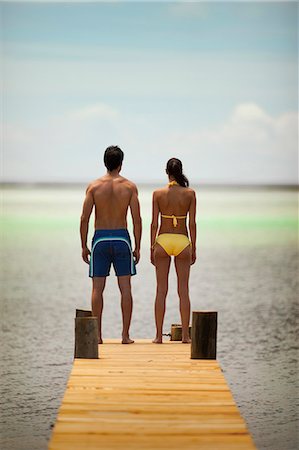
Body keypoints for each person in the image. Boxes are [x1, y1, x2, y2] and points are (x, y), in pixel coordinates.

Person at [80, 145, 142, 344]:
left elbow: (84, 218)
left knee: (97, 289)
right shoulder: (129, 187)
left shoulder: (94, 187)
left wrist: (83, 245)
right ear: (121, 164)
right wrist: (138, 247)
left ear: (104, 163)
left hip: (100, 240)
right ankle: (125, 336)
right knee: (126, 289)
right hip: (122, 239)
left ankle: (97, 336)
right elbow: (137, 219)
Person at [151, 158, 196, 344]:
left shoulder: (158, 193)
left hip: (163, 240)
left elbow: (154, 223)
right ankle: (185, 336)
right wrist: (194, 246)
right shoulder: (190, 193)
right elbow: (192, 223)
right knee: (183, 291)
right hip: (182, 241)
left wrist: (151, 246)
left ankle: (158, 336)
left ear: (166, 171)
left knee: (161, 291)